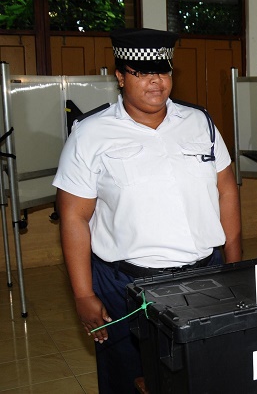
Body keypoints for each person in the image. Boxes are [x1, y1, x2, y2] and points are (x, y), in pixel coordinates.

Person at [53, 28, 242, 393]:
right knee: (130, 377)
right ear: (120, 76)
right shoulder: (90, 134)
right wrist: (82, 294)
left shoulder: (200, 123)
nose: (155, 81)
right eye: (141, 72)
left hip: (206, 276)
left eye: (163, 70)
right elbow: (74, 216)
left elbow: (226, 192)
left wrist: (234, 267)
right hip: (128, 286)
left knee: (206, 374)